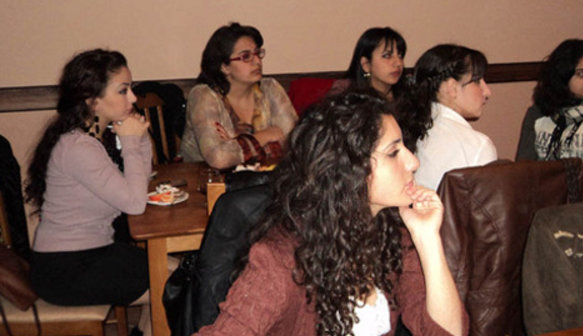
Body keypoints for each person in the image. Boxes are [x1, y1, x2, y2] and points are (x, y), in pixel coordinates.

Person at [193, 91, 468, 336]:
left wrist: (427, 238)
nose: (414, 162)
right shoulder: (282, 261)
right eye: (394, 152)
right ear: (349, 171)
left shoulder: (391, 234)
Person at [25, 49, 152, 335]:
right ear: (92, 100)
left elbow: (137, 187)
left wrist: (139, 140)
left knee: (177, 271)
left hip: (92, 253)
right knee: (176, 282)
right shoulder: (78, 148)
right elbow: (135, 204)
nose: (132, 98)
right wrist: (131, 143)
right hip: (65, 269)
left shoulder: (95, 138)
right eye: (123, 90)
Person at [179, 22, 298, 170]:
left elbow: (296, 143)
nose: (257, 61)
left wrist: (237, 144)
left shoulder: (270, 88)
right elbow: (219, 159)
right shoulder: (203, 96)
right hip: (206, 185)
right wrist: (266, 135)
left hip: (262, 182)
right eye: (246, 56)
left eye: (257, 53)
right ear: (224, 67)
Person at [516, 39, 583, 199]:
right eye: (581, 73)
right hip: (541, 198)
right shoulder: (537, 113)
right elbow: (523, 167)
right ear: (562, 78)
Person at [408, 44, 497, 191]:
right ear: (452, 88)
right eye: (476, 81)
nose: (487, 92)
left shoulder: (409, 128)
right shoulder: (477, 146)